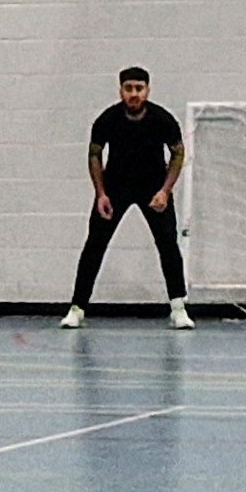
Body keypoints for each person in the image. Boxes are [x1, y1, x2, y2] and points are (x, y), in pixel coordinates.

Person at [60, 67, 192, 330]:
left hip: (153, 187)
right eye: (129, 88)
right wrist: (100, 194)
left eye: (139, 89)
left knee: (167, 243)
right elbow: (94, 155)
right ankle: (77, 308)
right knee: (95, 244)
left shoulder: (162, 119)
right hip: (115, 187)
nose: (134, 94)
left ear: (147, 90)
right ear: (121, 90)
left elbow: (178, 153)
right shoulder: (106, 120)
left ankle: (178, 307)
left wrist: (165, 190)